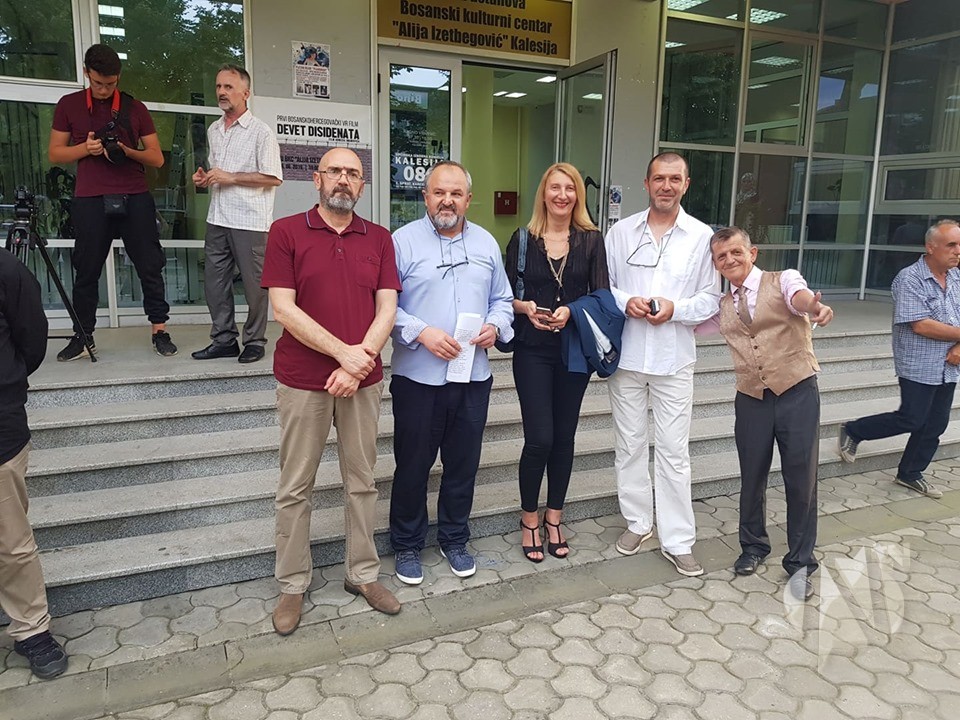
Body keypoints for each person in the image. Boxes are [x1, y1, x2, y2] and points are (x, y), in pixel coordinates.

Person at [261, 148, 402, 632]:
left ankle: (362, 574)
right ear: (317, 179)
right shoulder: (286, 232)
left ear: (362, 185)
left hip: (362, 383)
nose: (344, 179)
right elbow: (284, 309)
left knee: (362, 481)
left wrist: (357, 364)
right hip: (303, 380)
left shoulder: (379, 238)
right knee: (294, 487)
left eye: (353, 173)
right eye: (335, 171)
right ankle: (292, 584)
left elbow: (387, 309)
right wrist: (346, 355)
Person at [389, 160, 514, 585]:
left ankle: (454, 538)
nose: (447, 201)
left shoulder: (486, 243)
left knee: (463, 465)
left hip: (472, 376)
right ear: (425, 197)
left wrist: (495, 326)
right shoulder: (401, 242)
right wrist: (421, 332)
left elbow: (502, 299)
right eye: (439, 193)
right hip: (418, 378)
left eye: (456, 193)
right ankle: (407, 543)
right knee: (412, 465)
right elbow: (384, 307)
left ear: (468, 199)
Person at [604, 152, 720, 577]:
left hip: (674, 359)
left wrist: (676, 309)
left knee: (673, 451)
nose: (666, 186)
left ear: (686, 184)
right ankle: (639, 522)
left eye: (674, 179)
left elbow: (711, 298)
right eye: (659, 178)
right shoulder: (620, 233)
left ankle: (678, 540)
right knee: (629, 445)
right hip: (628, 356)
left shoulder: (702, 236)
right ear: (646, 183)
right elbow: (605, 286)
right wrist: (626, 302)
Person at [708, 227, 833, 601]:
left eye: (736, 252)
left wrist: (814, 307)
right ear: (716, 264)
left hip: (797, 392)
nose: (730, 260)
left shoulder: (782, 281)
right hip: (751, 397)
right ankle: (753, 546)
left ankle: (800, 564)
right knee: (752, 476)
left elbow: (800, 297)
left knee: (801, 480)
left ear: (752, 253)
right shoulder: (722, 304)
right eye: (721, 256)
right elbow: (689, 321)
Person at [504, 163, 609, 562]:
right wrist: (525, 308)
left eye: (570, 188)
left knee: (564, 438)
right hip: (532, 349)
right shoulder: (523, 239)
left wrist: (572, 312)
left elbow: (602, 296)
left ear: (578, 195)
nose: (562, 195)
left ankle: (554, 518)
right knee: (540, 438)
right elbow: (503, 295)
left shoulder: (592, 240)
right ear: (543, 194)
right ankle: (529, 518)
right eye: (555, 187)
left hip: (573, 350)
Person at [48, 43, 176, 360]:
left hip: (135, 195)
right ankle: (83, 336)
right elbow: (55, 153)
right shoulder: (69, 104)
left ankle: (159, 331)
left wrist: (127, 151)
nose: (104, 89)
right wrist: (86, 149)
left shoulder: (135, 108)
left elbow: (157, 158)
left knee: (150, 265)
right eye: (98, 83)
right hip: (90, 197)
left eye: (110, 83)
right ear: (86, 73)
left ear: (118, 77)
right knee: (86, 269)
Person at [839, 219, 960, 500]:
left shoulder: (956, 278)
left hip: (949, 364)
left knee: (936, 424)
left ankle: (910, 473)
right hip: (918, 364)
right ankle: (854, 430)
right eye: (951, 245)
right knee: (912, 418)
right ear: (931, 247)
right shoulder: (909, 279)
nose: (957, 251)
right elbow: (921, 324)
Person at [0, 248, 69, 679]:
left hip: (0, 428)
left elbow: (32, 339)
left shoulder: (6, 269)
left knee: (11, 542)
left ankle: (31, 629)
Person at [192, 64, 282, 364]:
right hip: (217, 218)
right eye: (219, 86)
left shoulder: (261, 133)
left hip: (250, 221)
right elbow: (219, 172)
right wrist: (206, 178)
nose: (221, 92)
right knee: (214, 283)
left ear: (246, 93)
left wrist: (231, 177)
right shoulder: (214, 130)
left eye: (228, 87)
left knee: (255, 287)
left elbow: (273, 177)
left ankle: (254, 340)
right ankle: (223, 340)